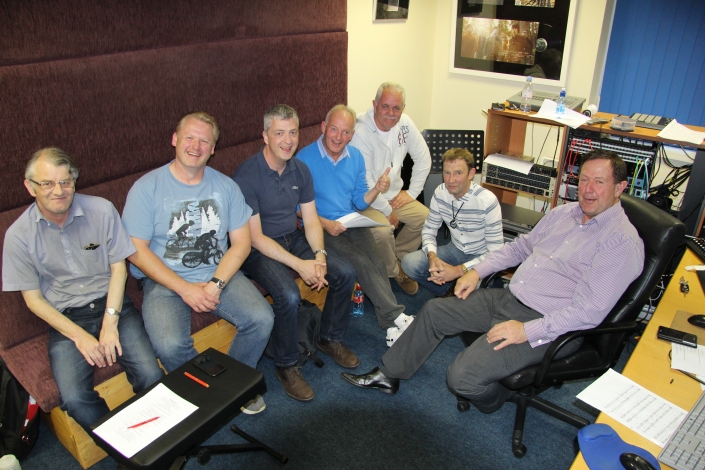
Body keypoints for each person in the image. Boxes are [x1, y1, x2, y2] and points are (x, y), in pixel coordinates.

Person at [342, 150, 645, 414]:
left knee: (461, 379)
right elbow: (519, 248)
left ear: (620, 187)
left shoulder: (621, 242)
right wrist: (475, 272)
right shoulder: (565, 213)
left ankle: (501, 397)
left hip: (548, 325)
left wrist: (525, 331)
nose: (588, 190)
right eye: (584, 180)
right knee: (435, 311)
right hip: (509, 298)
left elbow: (589, 312)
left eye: (599, 182)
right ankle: (390, 374)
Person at [2, 147, 163, 435]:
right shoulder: (18, 236)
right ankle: (124, 445)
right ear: (30, 187)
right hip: (66, 319)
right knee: (74, 399)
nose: (58, 191)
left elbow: (119, 269)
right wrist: (80, 336)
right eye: (47, 183)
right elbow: (33, 301)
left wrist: (110, 323)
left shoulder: (101, 210)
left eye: (65, 181)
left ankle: (160, 436)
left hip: (112, 305)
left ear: (74, 181)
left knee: (151, 375)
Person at [122, 112, 274, 414]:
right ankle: (211, 390)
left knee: (261, 319)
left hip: (217, 271)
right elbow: (135, 250)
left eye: (204, 141)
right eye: (189, 137)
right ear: (175, 139)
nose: (196, 146)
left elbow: (241, 243)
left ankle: (235, 385)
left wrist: (216, 284)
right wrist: (184, 288)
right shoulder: (147, 187)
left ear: (213, 148)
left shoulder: (226, 187)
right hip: (164, 279)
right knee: (168, 344)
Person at [232, 104, 357, 402]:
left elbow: (311, 220)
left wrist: (319, 256)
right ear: (265, 136)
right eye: (279, 133)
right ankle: (286, 364)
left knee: (345, 272)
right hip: (257, 248)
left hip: (293, 237)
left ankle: (330, 338)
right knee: (288, 293)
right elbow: (255, 237)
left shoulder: (300, 170)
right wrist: (300, 265)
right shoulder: (247, 175)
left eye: (292, 133)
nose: (287, 141)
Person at [296, 104, 416, 348]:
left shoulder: (355, 157)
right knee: (360, 262)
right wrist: (325, 223)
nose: (338, 137)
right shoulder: (303, 159)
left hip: (351, 220)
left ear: (352, 135)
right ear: (323, 127)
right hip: (320, 225)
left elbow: (359, 201)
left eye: (345, 132)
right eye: (334, 129)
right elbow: (296, 208)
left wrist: (376, 189)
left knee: (376, 260)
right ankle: (396, 316)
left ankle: (391, 326)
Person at [350, 82, 431, 295]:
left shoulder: (405, 124)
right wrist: (387, 210)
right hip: (365, 199)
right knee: (384, 231)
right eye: (385, 106)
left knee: (425, 217)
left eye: (397, 108)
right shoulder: (361, 132)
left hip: (393, 194)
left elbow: (424, 158)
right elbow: (366, 182)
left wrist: (412, 193)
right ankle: (393, 272)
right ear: (375, 105)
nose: (391, 113)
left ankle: (398, 260)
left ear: (403, 108)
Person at [401, 148, 504, 296]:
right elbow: (429, 230)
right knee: (409, 263)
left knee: (474, 290)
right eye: (447, 173)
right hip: (454, 249)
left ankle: (457, 291)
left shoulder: (487, 201)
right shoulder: (440, 192)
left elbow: (496, 252)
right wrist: (432, 256)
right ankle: (450, 292)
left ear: (471, 174)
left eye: (458, 173)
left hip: (481, 255)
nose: (451, 180)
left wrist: (458, 271)